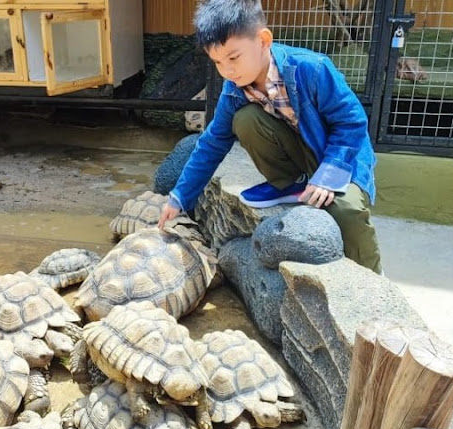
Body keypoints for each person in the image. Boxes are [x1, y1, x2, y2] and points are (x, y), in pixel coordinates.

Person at [157, 0, 382, 274]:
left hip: (340, 156)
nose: (227, 70)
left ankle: (371, 275)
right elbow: (212, 144)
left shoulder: (312, 68)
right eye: (217, 62)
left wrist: (329, 173)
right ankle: (290, 182)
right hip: (301, 154)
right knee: (245, 119)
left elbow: (352, 122)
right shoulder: (234, 90)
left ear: (263, 40)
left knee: (346, 211)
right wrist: (180, 197)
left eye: (233, 57)